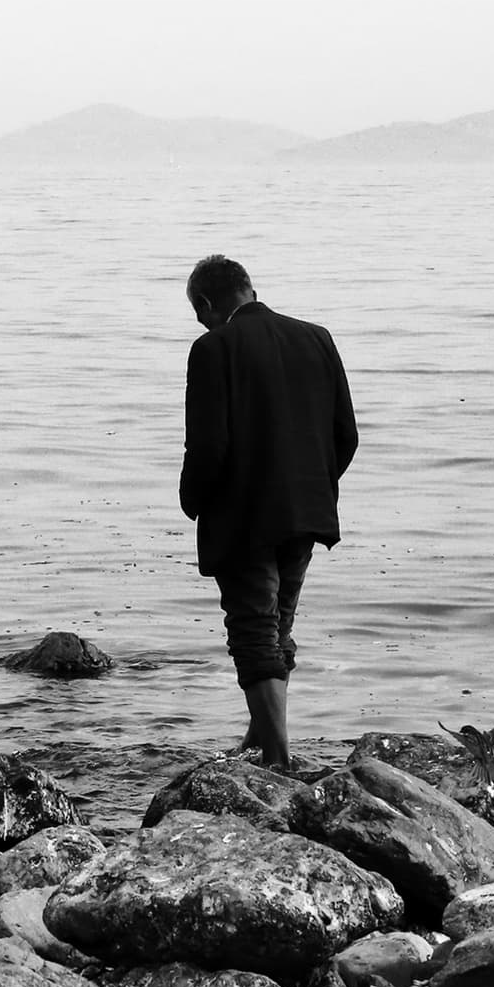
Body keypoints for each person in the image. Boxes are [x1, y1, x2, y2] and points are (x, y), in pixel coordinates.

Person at [178, 255, 358, 771]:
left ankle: (279, 759)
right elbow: (346, 435)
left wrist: (193, 500)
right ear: (249, 289)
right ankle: (261, 733)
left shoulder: (213, 349)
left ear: (209, 303)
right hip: (307, 509)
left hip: (244, 516)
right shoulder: (316, 337)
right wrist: (312, 486)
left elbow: (208, 447)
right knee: (276, 627)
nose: (200, 322)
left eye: (198, 312)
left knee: (254, 629)